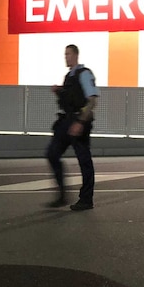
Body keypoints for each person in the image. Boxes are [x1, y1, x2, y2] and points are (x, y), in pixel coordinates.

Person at [46, 44, 99, 211]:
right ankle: (62, 195)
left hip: (78, 121)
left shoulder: (84, 74)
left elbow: (92, 101)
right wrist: (59, 91)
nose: (65, 57)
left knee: (84, 161)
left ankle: (86, 199)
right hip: (66, 121)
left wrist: (81, 122)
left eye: (68, 54)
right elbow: (71, 98)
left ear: (75, 55)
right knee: (52, 154)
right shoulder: (69, 76)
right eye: (65, 54)